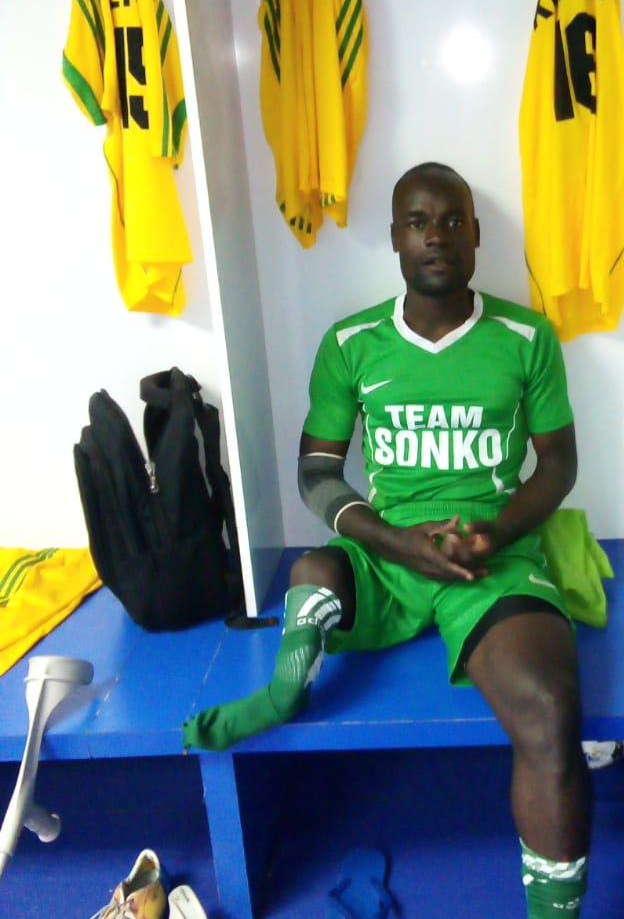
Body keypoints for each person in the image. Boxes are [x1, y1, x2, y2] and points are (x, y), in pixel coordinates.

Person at [182, 162, 591, 917]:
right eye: (417, 221)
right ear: (395, 238)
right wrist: (394, 539)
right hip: (389, 551)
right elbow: (316, 472)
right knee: (313, 568)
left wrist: (493, 531)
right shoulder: (352, 342)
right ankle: (283, 690)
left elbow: (558, 464)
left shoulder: (525, 335)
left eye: (451, 220)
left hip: (490, 556)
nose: (435, 234)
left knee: (552, 709)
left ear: (475, 233)